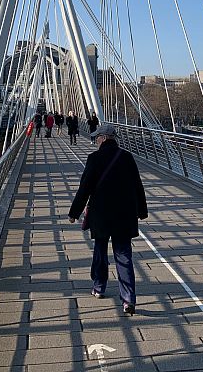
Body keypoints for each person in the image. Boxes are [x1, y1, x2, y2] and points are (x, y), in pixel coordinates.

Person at [68, 124, 148, 316]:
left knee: (100, 252)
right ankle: (128, 299)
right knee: (124, 256)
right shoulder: (127, 157)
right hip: (124, 216)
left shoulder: (94, 159)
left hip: (101, 215)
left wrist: (74, 212)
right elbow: (138, 186)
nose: (95, 140)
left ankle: (99, 286)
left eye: (97, 138)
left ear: (104, 138)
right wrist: (142, 211)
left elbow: (84, 188)